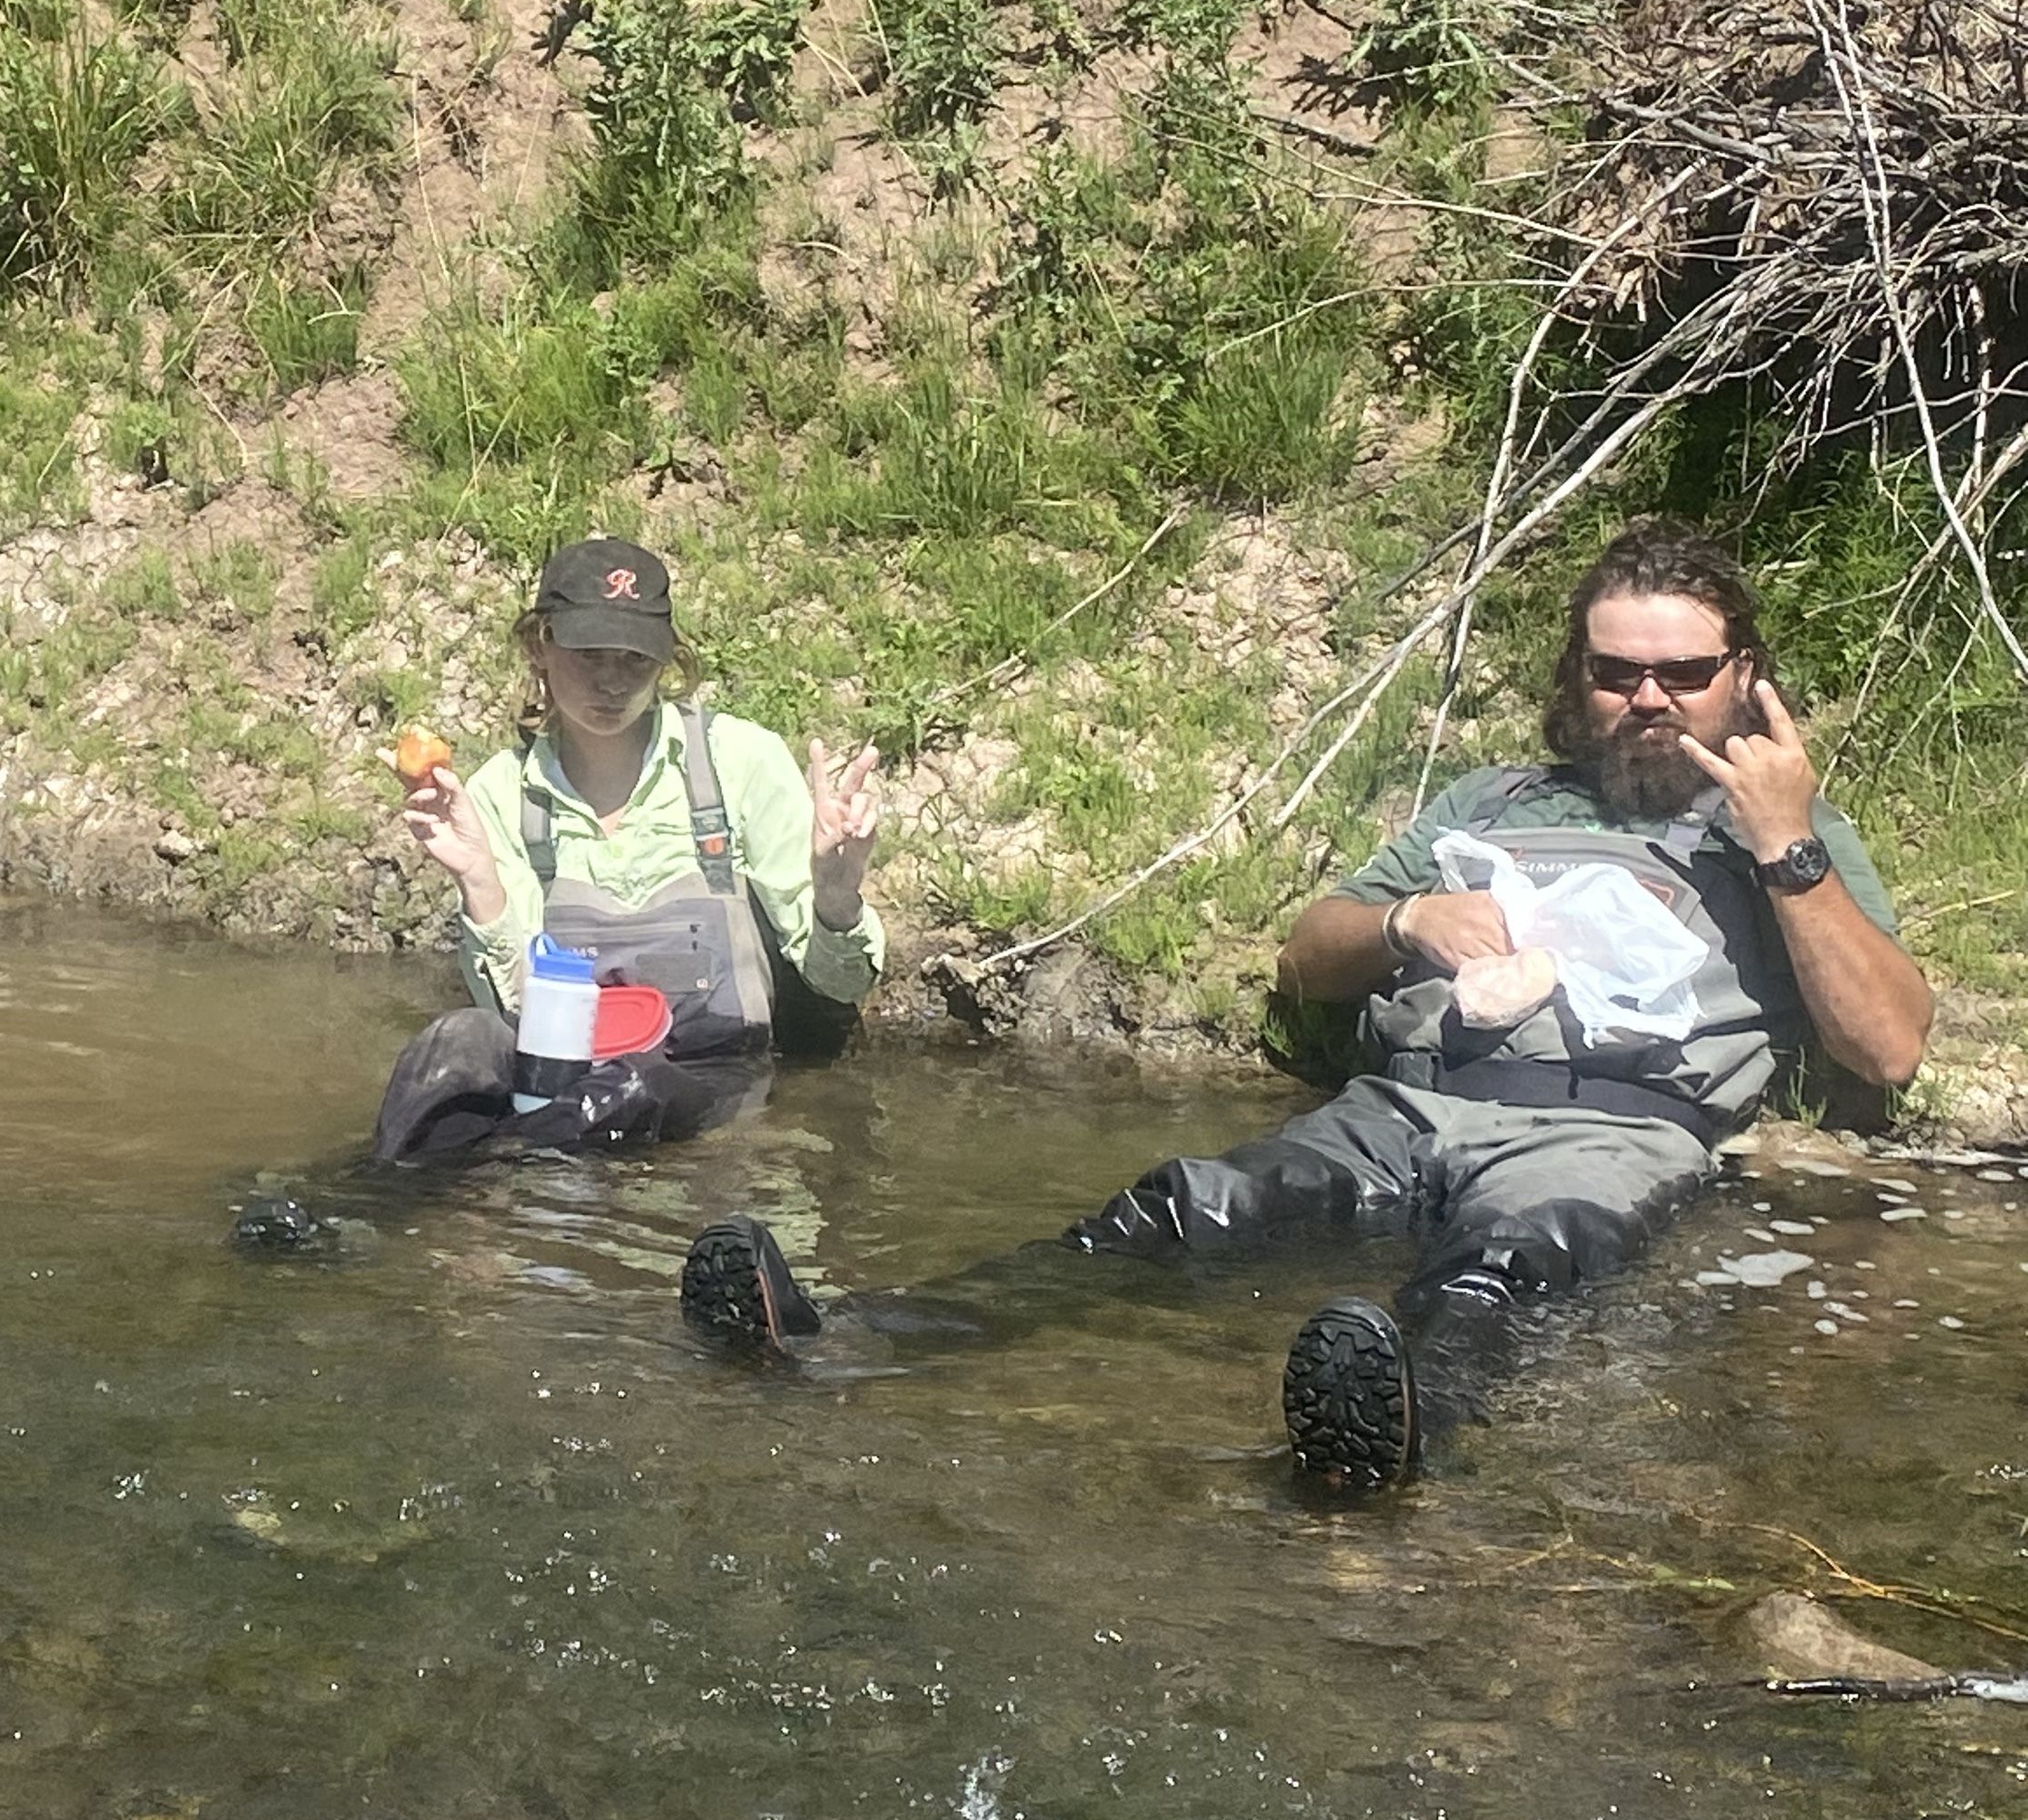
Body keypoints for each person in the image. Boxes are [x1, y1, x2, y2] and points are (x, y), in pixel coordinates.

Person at [677, 517, 1929, 1493]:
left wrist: (1787, 850)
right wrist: (1406, 923)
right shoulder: (1491, 803)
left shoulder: (1785, 833)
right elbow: (1303, 957)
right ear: (1580, 673)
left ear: (1743, 678)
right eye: (1616, 672)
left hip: (1615, 1128)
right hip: (1410, 1106)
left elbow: (1888, 1046)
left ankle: (1393, 1434)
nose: (1646, 699)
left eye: (1682, 673)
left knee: (1507, 1276)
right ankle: (848, 1333)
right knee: (1174, 1209)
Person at [364, 537, 886, 1163]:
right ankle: (377, 1198)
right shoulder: (500, 794)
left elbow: (842, 981)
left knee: (632, 1086)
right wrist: (481, 881)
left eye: (635, 659)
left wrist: (836, 896)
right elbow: (516, 1012)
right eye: (588, 655)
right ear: (540, 646)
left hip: (712, 1085)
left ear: (667, 661)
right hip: (559, 1081)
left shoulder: (740, 763)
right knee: (453, 1044)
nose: (611, 682)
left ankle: (486, 1168)